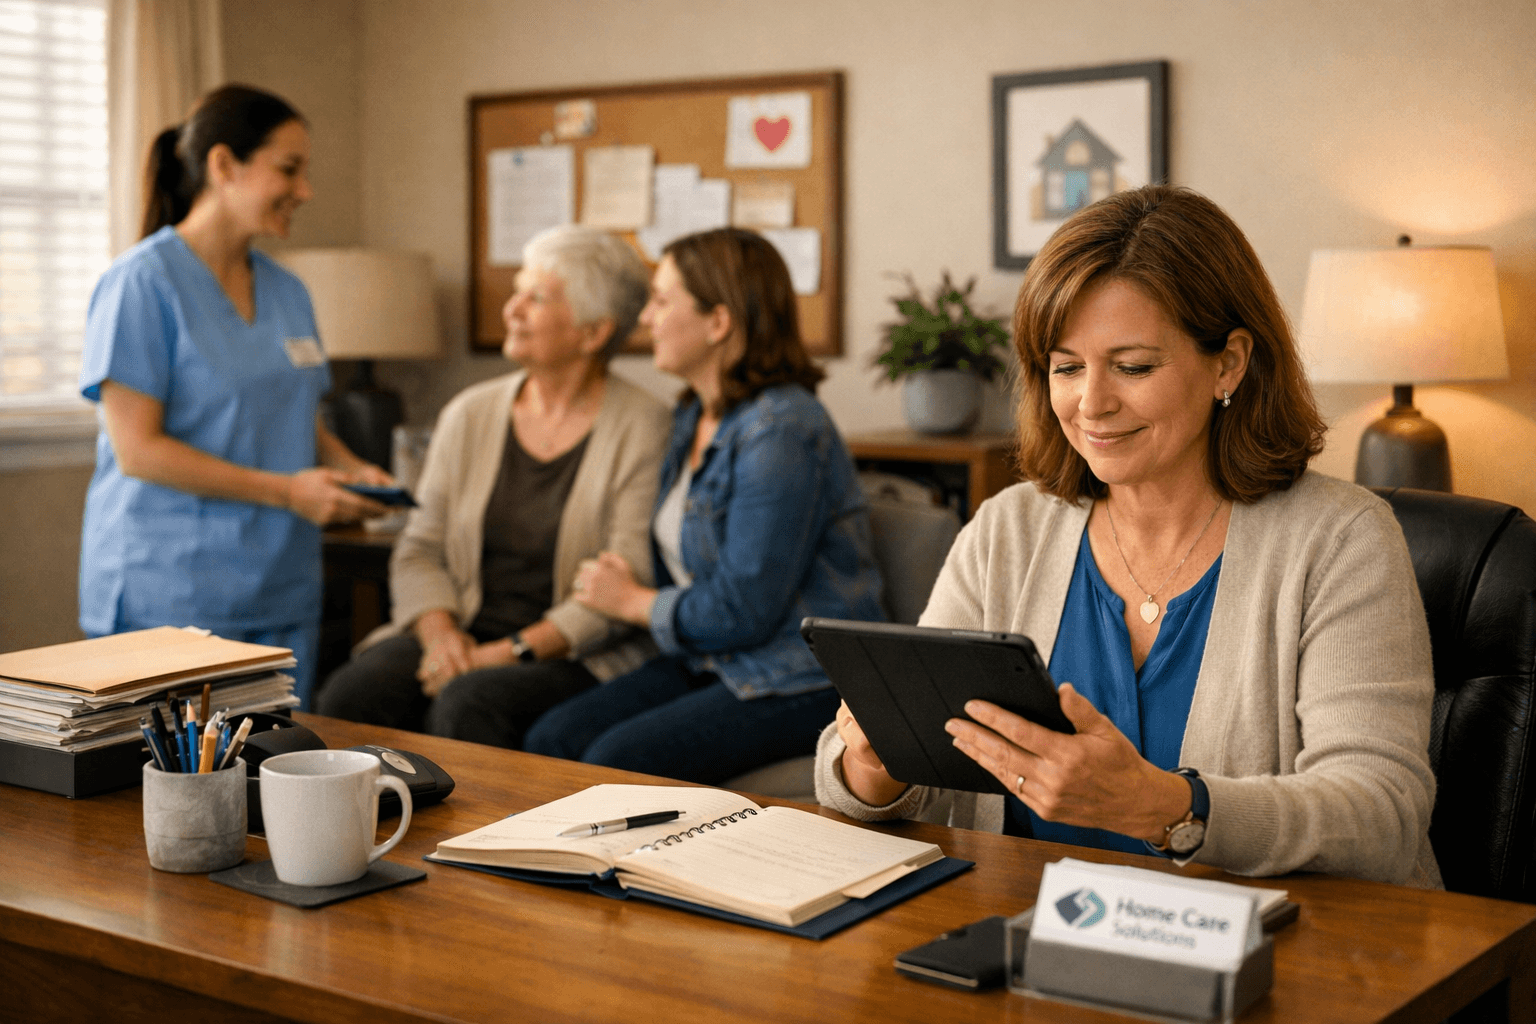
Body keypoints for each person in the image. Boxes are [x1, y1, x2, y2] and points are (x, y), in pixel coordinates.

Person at [816, 185, 1441, 888]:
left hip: (1287, 959)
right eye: (1066, 367)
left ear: (1229, 363)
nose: (1091, 403)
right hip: (1026, 946)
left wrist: (1166, 810)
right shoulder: (1008, 529)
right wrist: (870, 766)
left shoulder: (1341, 540)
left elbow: (1383, 816)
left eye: (1134, 366)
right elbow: (895, 777)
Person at [523, 227, 885, 784]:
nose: (645, 318)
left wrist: (634, 602)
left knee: (611, 763)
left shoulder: (782, 430)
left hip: (800, 677)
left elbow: (742, 610)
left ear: (718, 322)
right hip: (713, 661)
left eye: (662, 301)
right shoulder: (693, 414)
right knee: (549, 739)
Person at [78, 85, 391, 709]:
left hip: (279, 587)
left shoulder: (288, 292)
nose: (304, 191)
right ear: (223, 166)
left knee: (270, 783)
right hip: (169, 591)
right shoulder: (141, 284)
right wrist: (288, 491)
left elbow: (301, 419)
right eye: (289, 169)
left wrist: (353, 470)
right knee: (175, 795)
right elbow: (139, 451)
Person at [316, 226, 671, 743]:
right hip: (461, 626)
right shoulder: (469, 413)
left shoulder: (645, 424)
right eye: (517, 291)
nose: (513, 309)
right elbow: (419, 550)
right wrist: (443, 641)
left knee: (470, 704)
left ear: (593, 333)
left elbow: (624, 578)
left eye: (537, 298)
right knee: (349, 696)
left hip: (573, 649)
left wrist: (500, 655)